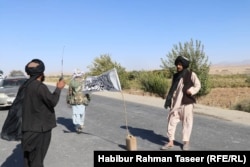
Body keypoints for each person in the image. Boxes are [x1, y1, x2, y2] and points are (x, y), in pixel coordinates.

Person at [21, 59, 65, 167]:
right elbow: (52, 101)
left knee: (28, 161)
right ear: (41, 74)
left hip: (27, 130)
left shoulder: (25, 86)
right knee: (37, 161)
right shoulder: (39, 87)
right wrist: (58, 89)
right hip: (39, 131)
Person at [161, 55, 201, 151]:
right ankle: (171, 141)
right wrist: (170, 100)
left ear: (184, 65)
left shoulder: (191, 74)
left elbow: (198, 85)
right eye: (177, 64)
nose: (178, 66)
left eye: (180, 64)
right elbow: (173, 89)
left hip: (186, 103)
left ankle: (186, 143)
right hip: (176, 103)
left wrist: (191, 91)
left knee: (187, 123)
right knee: (171, 121)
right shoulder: (175, 76)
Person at [67, 68, 89, 133]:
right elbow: (88, 92)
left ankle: (77, 125)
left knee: (76, 113)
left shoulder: (72, 82)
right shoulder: (85, 81)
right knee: (82, 113)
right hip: (83, 100)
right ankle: (81, 124)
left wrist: (68, 100)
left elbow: (70, 92)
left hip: (75, 100)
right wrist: (88, 99)